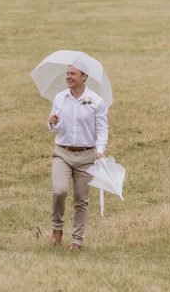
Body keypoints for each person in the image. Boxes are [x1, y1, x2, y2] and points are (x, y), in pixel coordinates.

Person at [47, 65, 109, 251]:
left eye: (72, 74)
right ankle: (57, 228)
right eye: (67, 74)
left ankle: (77, 240)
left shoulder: (96, 101)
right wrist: (51, 123)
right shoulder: (60, 97)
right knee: (59, 191)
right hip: (62, 153)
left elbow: (102, 128)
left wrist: (99, 149)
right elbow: (53, 124)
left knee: (81, 199)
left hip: (86, 155)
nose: (68, 77)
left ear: (84, 77)